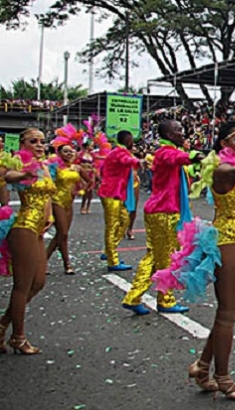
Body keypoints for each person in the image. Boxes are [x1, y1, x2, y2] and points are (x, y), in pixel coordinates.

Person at [156, 120, 235, 400]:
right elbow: (233, 173)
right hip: (226, 244)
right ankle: (223, 376)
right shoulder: (221, 168)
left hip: (233, 240)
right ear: (224, 144)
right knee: (228, 312)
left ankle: (203, 366)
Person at [121, 120, 194, 315]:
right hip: (163, 212)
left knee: (154, 255)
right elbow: (182, 159)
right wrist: (197, 155)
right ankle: (166, 300)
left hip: (161, 210)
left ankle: (133, 297)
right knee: (166, 259)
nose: (183, 132)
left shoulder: (166, 152)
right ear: (169, 135)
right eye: (179, 130)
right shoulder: (165, 152)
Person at [0, 128, 56, 354]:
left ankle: (3, 324)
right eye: (34, 141)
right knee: (22, 286)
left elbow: (48, 194)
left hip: (39, 229)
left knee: (38, 282)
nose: (40, 145)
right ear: (23, 144)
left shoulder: (43, 165)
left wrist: (49, 216)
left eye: (43, 141)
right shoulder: (19, 162)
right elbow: (7, 176)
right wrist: (23, 175)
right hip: (24, 227)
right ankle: (18, 337)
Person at [46, 128, 90, 275]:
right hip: (57, 201)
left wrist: (80, 190)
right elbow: (47, 184)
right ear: (59, 154)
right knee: (63, 234)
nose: (69, 153)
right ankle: (67, 264)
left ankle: (43, 261)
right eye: (65, 151)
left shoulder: (77, 168)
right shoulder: (54, 167)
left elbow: (90, 182)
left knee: (61, 234)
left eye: (71, 151)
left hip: (69, 204)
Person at [98, 130, 142, 272]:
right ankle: (112, 260)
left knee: (124, 220)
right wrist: (140, 162)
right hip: (111, 193)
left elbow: (103, 169)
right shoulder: (119, 152)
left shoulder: (116, 151)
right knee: (112, 225)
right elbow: (129, 161)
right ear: (127, 140)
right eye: (131, 140)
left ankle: (109, 250)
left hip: (116, 192)